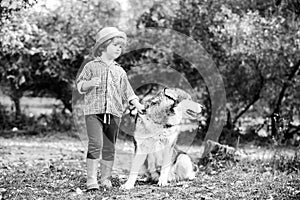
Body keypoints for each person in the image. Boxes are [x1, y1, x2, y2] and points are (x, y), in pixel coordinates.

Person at [76, 27, 145, 190]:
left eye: (120, 47)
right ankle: (91, 179)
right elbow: (80, 85)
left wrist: (137, 104)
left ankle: (105, 179)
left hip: (114, 113)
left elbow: (127, 91)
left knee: (109, 146)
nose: (118, 49)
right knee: (95, 144)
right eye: (115, 45)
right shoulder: (91, 67)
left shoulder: (119, 71)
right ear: (103, 46)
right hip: (94, 112)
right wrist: (89, 83)